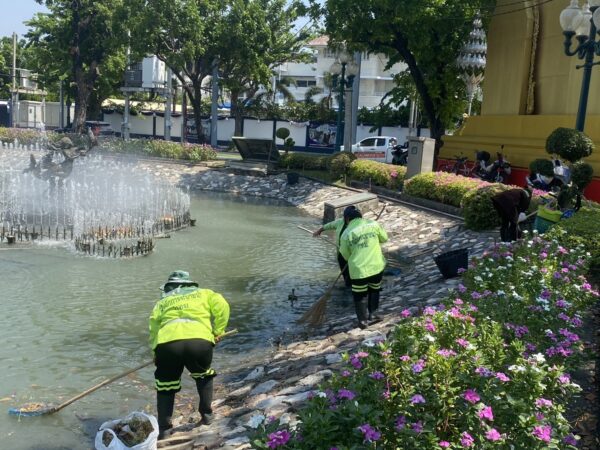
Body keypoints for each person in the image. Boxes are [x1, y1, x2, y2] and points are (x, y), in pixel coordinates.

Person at [149, 270, 230, 439]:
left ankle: (165, 430)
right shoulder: (205, 293)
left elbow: (154, 327)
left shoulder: (162, 302)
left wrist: (155, 351)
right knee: (203, 376)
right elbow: (222, 305)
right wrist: (218, 331)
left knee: (166, 385)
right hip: (199, 342)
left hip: (168, 345)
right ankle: (207, 416)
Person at [339, 206, 388, 329]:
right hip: (376, 266)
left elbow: (345, 254)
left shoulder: (346, 234)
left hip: (358, 270)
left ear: (347, 219)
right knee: (375, 289)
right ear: (360, 216)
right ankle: (374, 313)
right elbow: (384, 238)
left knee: (359, 294)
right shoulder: (373, 224)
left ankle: (363, 321)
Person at [312, 206, 362, 287]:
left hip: (355, 254)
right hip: (341, 253)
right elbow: (329, 225)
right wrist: (319, 231)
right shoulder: (340, 222)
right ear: (346, 218)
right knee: (345, 273)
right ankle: (348, 286)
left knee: (356, 274)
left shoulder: (361, 225)